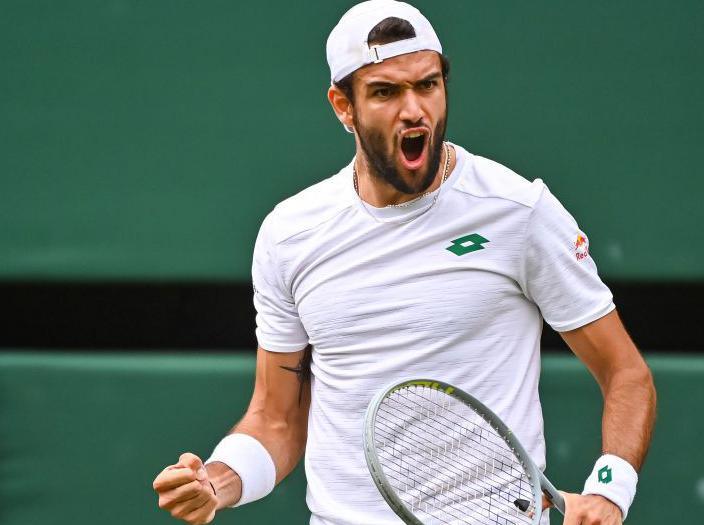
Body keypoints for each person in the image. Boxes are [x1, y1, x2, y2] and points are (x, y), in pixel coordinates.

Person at [151, 1, 656, 524]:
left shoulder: (517, 212)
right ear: (343, 107)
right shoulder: (290, 235)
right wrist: (217, 480)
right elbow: (275, 420)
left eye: (428, 85)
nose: (414, 110)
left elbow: (625, 372)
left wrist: (608, 490)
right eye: (386, 92)